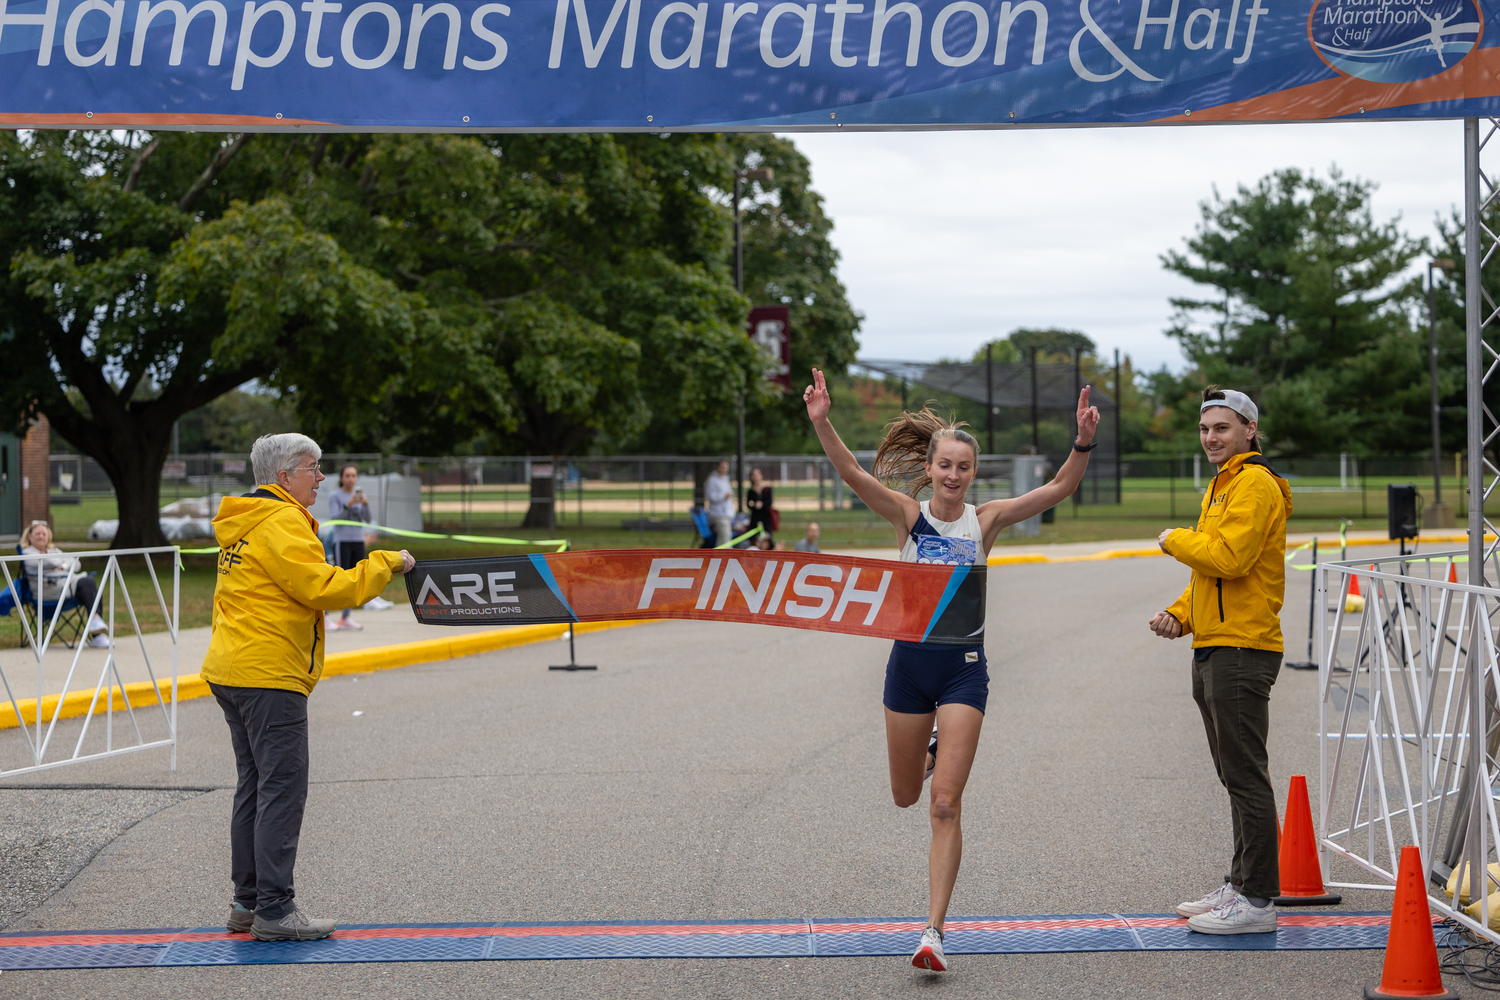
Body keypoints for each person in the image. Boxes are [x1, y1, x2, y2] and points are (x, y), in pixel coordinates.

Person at [804, 368, 1099, 972]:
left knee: (944, 805)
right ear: (932, 467)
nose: (954, 475)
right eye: (945, 465)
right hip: (908, 669)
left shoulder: (983, 522)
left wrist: (1083, 441)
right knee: (906, 795)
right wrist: (822, 421)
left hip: (964, 670)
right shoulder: (909, 517)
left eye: (964, 467)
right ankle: (931, 750)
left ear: (972, 473)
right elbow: (852, 473)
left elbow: (1058, 489)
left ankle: (934, 933)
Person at [202, 433, 414, 942]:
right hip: (267, 676)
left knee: (254, 786)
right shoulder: (281, 522)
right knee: (281, 789)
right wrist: (386, 563)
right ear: (284, 477)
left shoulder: (245, 522)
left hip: (232, 669)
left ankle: (247, 904)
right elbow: (324, 587)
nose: (321, 477)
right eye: (313, 468)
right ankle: (275, 909)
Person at [1148, 387, 1291, 936]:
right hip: (1214, 642)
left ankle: (1257, 902)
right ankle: (1240, 882)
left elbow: (1228, 559)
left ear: (1250, 430)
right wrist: (1179, 614)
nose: (1211, 437)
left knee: (1246, 776)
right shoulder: (1222, 485)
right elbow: (1208, 573)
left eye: (1223, 428)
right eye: (1206, 429)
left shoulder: (1254, 483)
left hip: (1243, 647)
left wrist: (1174, 538)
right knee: (1234, 775)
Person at [18, 521, 109, 647]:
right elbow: (47, 562)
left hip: (67, 588)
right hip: (47, 593)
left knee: (89, 584)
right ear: (29, 536)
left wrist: (64, 566)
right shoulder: (27, 553)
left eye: (44, 534)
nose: (41, 536)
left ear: (48, 536)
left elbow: (76, 563)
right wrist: (59, 564)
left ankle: (96, 626)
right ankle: (95, 626)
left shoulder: (54, 551)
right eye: (37, 533)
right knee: (87, 583)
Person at [326, 464, 373, 631]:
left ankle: (345, 617)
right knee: (340, 578)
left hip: (358, 540)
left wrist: (365, 504)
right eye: (347, 475)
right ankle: (325, 616)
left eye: (353, 475)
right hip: (342, 540)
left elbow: (367, 519)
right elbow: (335, 518)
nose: (351, 479)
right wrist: (348, 505)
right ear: (341, 478)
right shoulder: (335, 496)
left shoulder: (360, 496)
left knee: (355, 578)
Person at [704, 460, 734, 547]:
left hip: (726, 513)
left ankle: (719, 557)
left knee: (723, 537)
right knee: (725, 536)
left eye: (726, 466)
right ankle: (727, 556)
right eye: (722, 466)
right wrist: (723, 496)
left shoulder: (726, 479)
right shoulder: (712, 480)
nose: (724, 469)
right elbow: (710, 496)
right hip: (718, 513)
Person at [746, 468, 775, 548]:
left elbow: (770, 502)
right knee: (754, 539)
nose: (756, 477)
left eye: (757, 475)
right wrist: (753, 505)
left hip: (766, 517)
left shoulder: (767, 489)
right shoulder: (750, 491)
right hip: (755, 518)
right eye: (754, 475)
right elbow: (749, 504)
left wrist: (762, 504)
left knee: (767, 538)